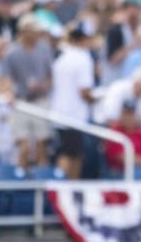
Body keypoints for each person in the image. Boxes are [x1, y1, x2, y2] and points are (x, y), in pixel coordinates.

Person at [0, 14, 54, 169]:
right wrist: (9, 93)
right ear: (24, 32)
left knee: (41, 145)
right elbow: (7, 79)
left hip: (40, 100)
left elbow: (50, 75)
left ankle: (43, 185)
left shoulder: (44, 48)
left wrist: (44, 86)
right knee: (23, 146)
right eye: (33, 31)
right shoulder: (12, 53)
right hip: (21, 101)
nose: (37, 34)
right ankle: (22, 182)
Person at [50, 20, 98, 179]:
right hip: (74, 115)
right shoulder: (83, 58)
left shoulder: (63, 56)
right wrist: (96, 99)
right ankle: (66, 192)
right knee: (71, 155)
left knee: (68, 152)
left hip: (58, 112)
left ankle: (65, 190)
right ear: (85, 38)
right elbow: (84, 91)